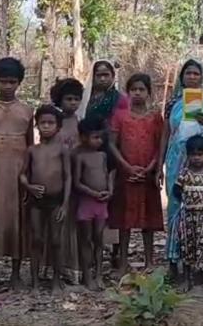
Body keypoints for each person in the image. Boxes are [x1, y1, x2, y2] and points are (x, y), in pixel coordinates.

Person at [158, 59, 203, 279]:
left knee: (200, 210)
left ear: (202, 77)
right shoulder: (173, 102)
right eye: (188, 73)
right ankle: (173, 261)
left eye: (196, 74)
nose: (192, 77)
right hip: (176, 160)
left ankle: (200, 263)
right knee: (175, 208)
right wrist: (159, 165)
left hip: (202, 164)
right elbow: (166, 135)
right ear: (182, 77)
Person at [0, 57, 34, 291]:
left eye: (12, 82)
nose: (8, 86)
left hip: (18, 172)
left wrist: (28, 174)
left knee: (18, 218)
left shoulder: (27, 111)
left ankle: (15, 274)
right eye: (3, 81)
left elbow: (30, 145)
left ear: (19, 82)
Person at [108, 73, 164, 276]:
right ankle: (123, 262)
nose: (137, 93)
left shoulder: (155, 117)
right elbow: (112, 145)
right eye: (133, 89)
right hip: (126, 176)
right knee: (125, 221)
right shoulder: (119, 116)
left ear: (149, 92)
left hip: (148, 175)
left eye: (141, 89)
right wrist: (126, 166)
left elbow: (160, 145)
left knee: (148, 220)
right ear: (128, 92)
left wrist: (152, 167)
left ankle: (149, 261)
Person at [76, 60, 129, 264]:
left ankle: (114, 251)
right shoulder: (85, 98)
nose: (103, 79)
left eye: (107, 75)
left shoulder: (119, 99)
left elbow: (124, 125)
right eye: (99, 75)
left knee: (113, 203)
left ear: (113, 77)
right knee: (87, 201)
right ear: (93, 76)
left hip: (113, 152)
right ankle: (87, 252)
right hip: (88, 153)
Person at [21, 105, 72, 294]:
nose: (47, 126)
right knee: (36, 239)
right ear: (37, 125)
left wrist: (65, 204)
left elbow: (68, 177)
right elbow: (22, 175)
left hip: (56, 200)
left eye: (51, 123)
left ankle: (56, 281)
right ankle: (34, 282)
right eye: (43, 123)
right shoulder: (32, 150)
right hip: (37, 202)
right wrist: (29, 187)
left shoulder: (63, 150)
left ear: (58, 126)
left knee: (56, 241)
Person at [173, 136, 203, 291]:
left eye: (200, 154)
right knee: (188, 247)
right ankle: (187, 279)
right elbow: (176, 191)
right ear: (188, 155)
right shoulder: (184, 174)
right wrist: (188, 204)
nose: (196, 158)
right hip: (189, 218)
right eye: (193, 154)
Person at [48, 77, 84, 284]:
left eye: (76, 99)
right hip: (57, 176)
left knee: (73, 223)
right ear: (59, 100)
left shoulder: (80, 121)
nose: (73, 103)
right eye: (69, 99)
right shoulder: (53, 121)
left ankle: (73, 266)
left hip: (76, 177)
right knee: (57, 221)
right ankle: (54, 266)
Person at [74, 116, 114, 290]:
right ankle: (87, 275)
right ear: (83, 137)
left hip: (101, 203)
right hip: (86, 203)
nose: (99, 141)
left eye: (100, 137)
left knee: (99, 239)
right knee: (85, 239)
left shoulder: (103, 155)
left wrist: (110, 191)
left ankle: (99, 275)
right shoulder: (80, 157)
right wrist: (93, 193)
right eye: (95, 137)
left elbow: (108, 174)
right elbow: (77, 182)